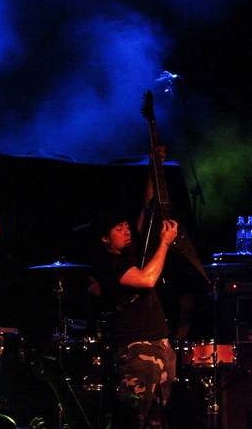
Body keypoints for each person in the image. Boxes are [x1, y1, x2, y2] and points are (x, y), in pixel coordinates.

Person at [93, 145, 179, 428]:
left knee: (159, 419)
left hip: (161, 345)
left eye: (126, 226)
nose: (127, 230)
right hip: (137, 349)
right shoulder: (110, 265)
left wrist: (155, 166)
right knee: (134, 420)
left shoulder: (133, 251)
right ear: (105, 239)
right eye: (118, 229)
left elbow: (147, 205)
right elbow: (147, 279)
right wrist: (165, 243)